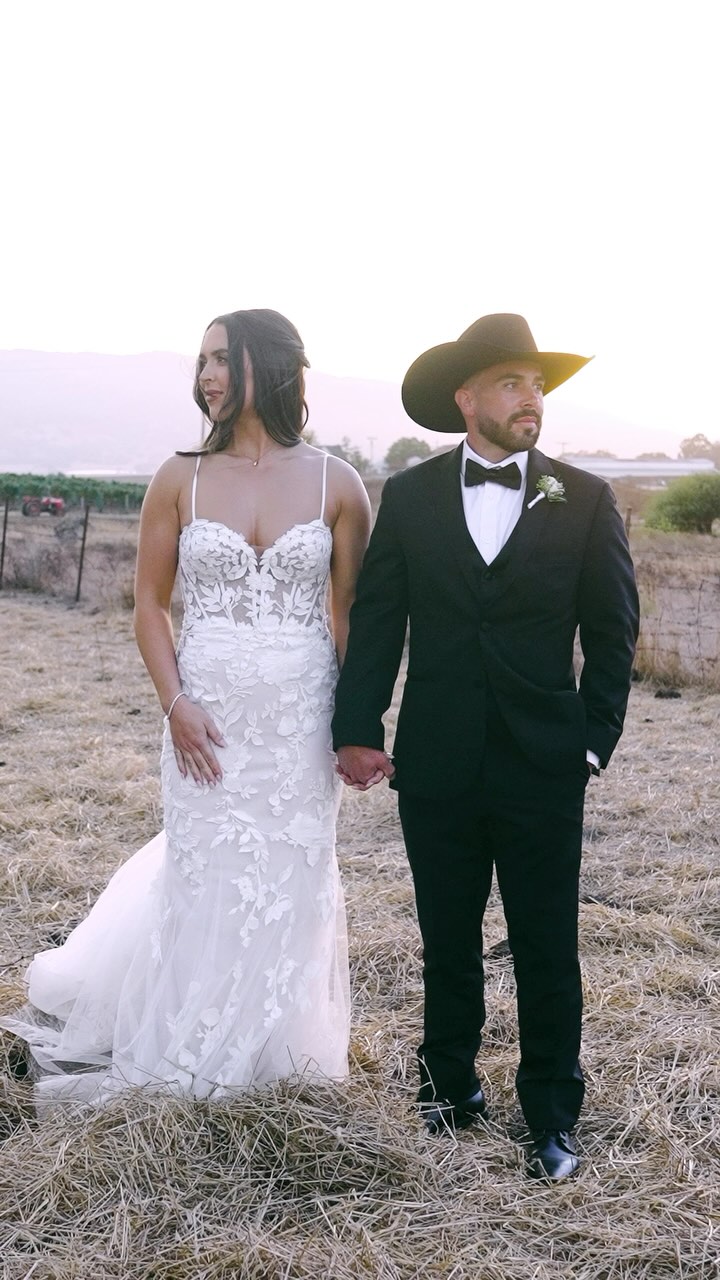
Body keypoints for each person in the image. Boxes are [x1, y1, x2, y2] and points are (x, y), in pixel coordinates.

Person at [3, 308, 371, 1105]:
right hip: (206, 723)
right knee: (206, 877)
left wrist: (357, 728)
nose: (204, 375)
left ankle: (276, 1053)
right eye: (200, 361)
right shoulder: (181, 478)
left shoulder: (338, 482)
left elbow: (350, 618)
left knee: (291, 881)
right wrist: (175, 706)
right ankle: (184, 1045)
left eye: (220, 359)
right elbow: (148, 606)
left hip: (301, 729)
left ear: (266, 366)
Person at [332, 313, 639, 1181]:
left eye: (538, 384)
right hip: (438, 758)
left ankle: (550, 1113)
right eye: (512, 382)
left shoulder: (583, 498)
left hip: (546, 760)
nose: (531, 398)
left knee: (547, 941)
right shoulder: (414, 495)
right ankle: (447, 1091)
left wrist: (593, 742)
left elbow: (614, 634)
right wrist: (358, 729)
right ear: (466, 398)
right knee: (446, 935)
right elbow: (382, 617)